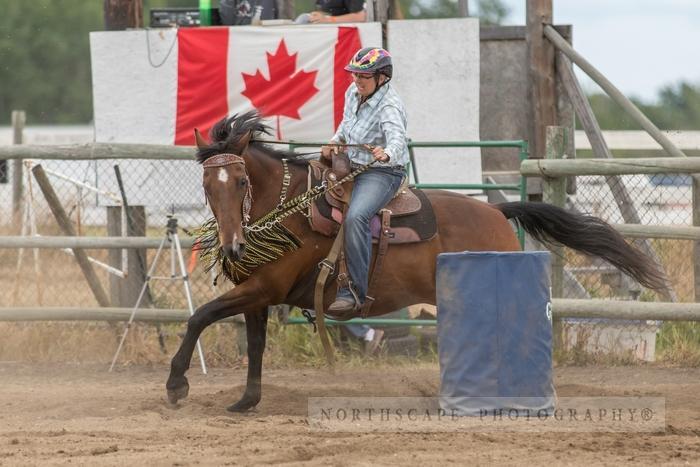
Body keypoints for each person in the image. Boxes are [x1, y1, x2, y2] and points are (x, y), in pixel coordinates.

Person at [321, 47, 408, 315]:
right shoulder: (353, 92)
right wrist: (335, 142)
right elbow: (346, 126)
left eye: (364, 76)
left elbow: (397, 138)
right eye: (355, 75)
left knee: (356, 216)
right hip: (351, 164)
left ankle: (355, 293)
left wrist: (387, 152)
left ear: (382, 78)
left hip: (382, 172)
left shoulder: (389, 105)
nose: (357, 81)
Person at [294, 0, 366, 24]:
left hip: (348, 34)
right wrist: (318, 16)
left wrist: (328, 19)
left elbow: (360, 16)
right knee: (304, 18)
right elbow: (326, 11)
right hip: (328, 30)